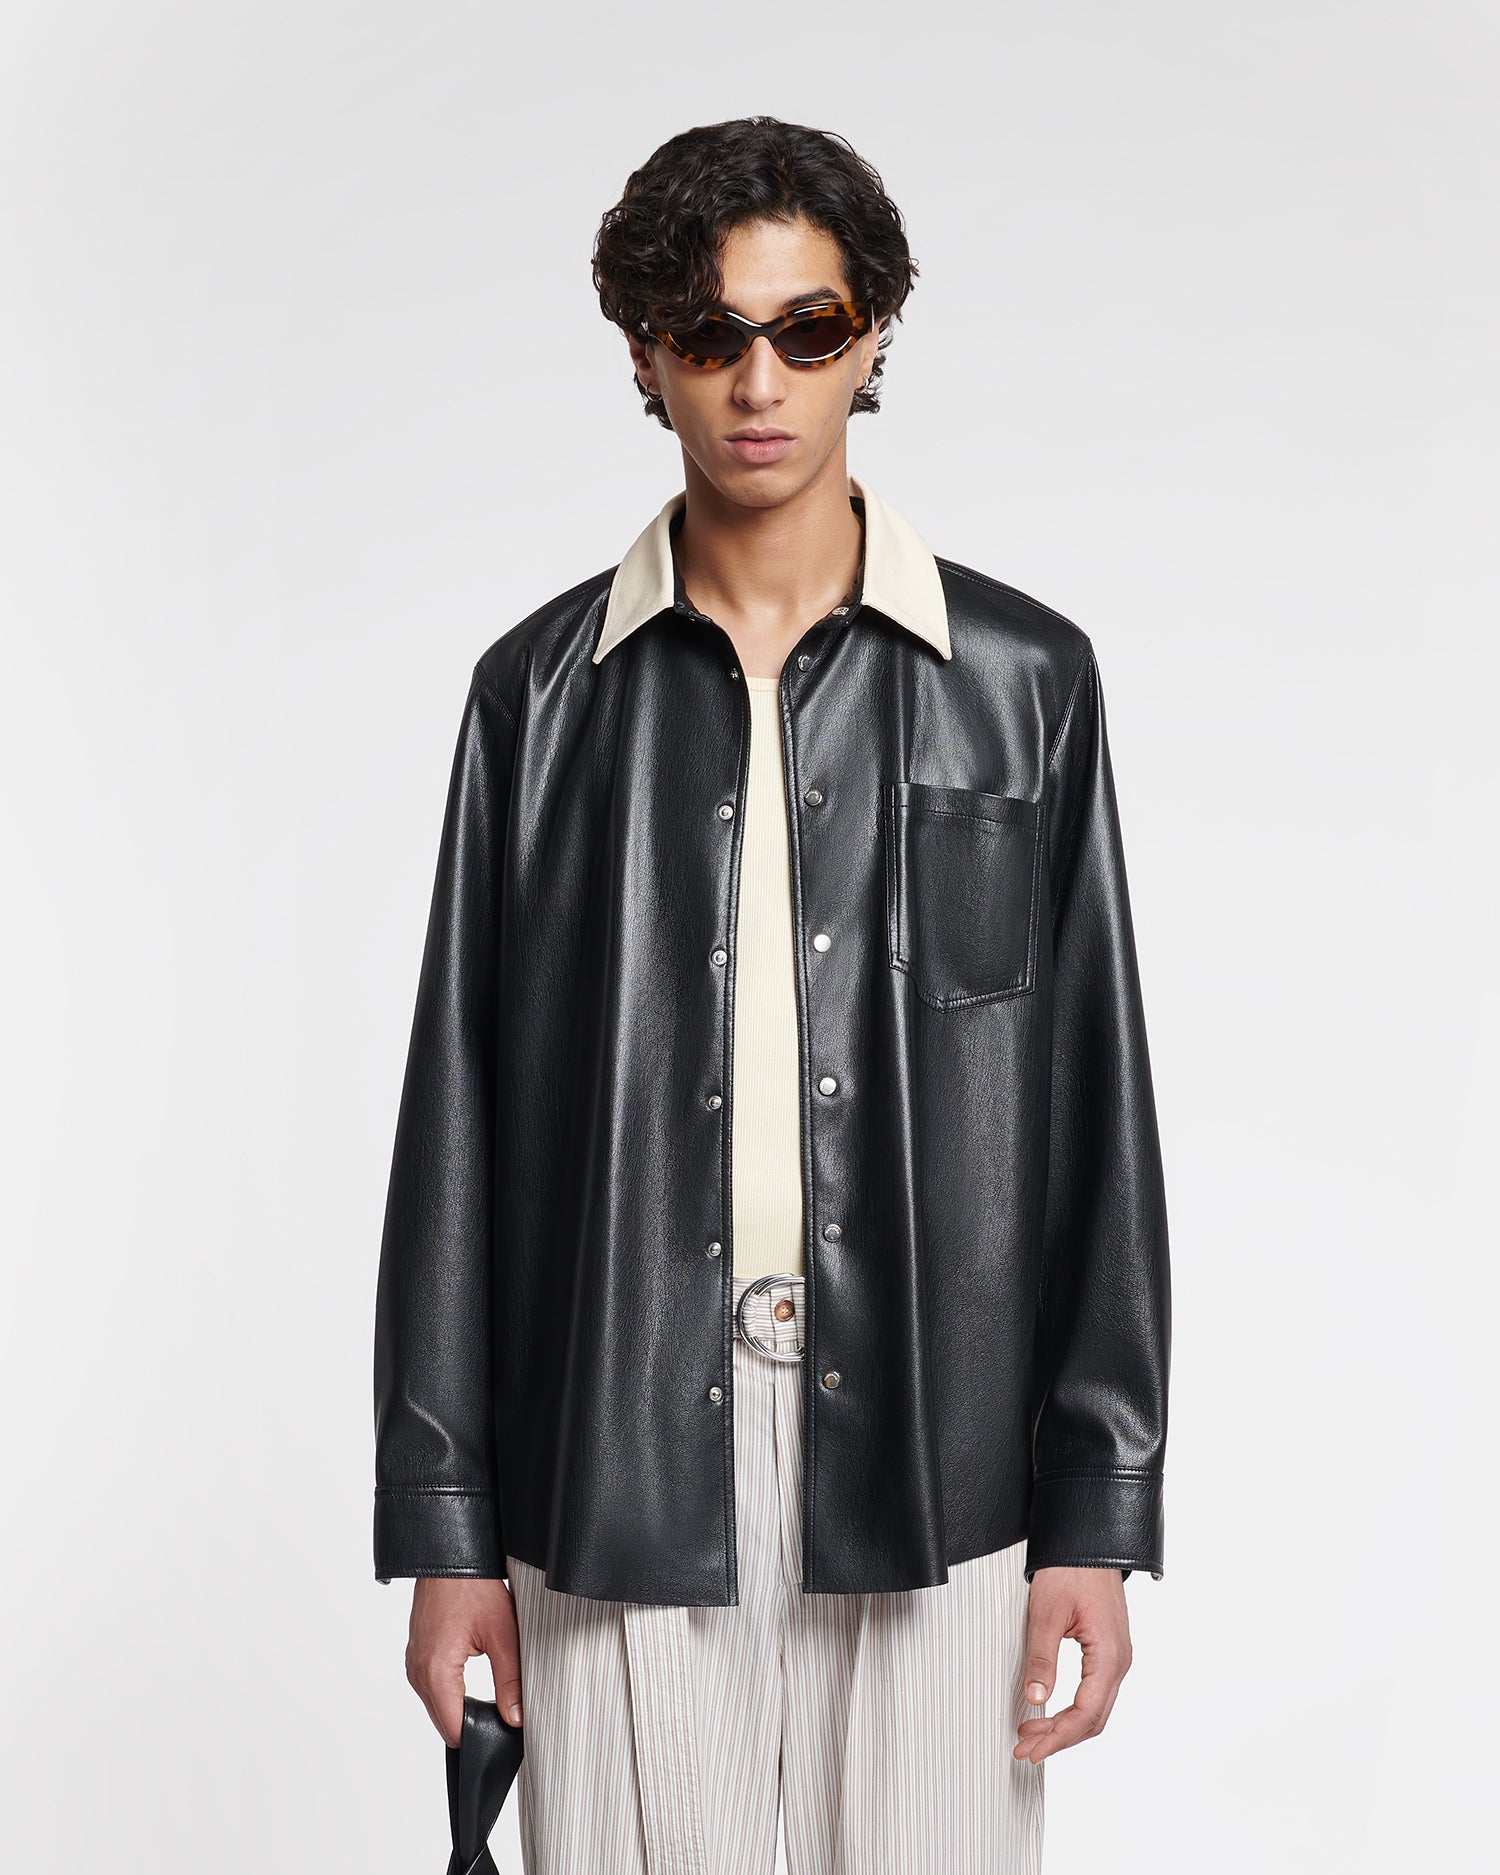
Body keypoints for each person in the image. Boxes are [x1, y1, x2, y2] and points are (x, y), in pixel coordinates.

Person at [373, 115, 1171, 1875]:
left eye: (807, 330)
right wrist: (445, 1527)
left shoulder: (1024, 682)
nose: (759, 382)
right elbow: (459, 1123)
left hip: (942, 1460)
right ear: (645, 354)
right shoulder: (539, 699)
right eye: (710, 333)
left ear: (870, 336)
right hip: (616, 1455)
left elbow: (1094, 1112)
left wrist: (1097, 1512)